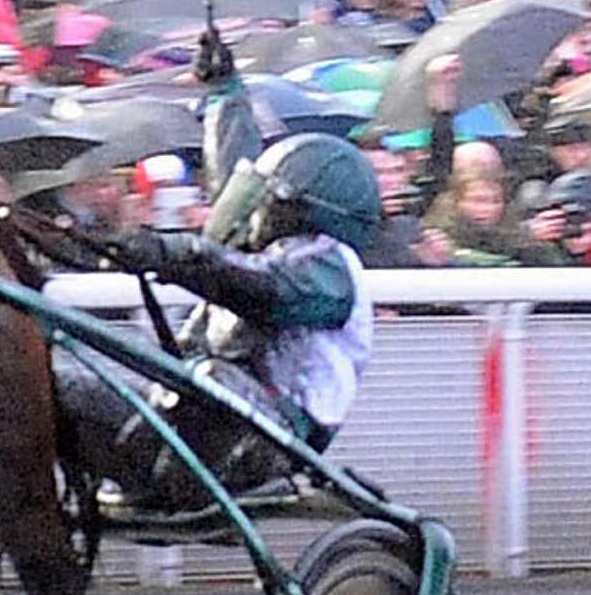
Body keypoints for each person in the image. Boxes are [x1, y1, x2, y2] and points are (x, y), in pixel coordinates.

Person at [63, 130, 382, 512]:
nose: (251, 207)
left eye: (264, 196)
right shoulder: (258, 251)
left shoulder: (332, 265)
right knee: (62, 389)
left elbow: (260, 288)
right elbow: (231, 166)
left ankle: (167, 480)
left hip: (273, 436)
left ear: (293, 206)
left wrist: (172, 251)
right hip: (204, 415)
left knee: (212, 378)